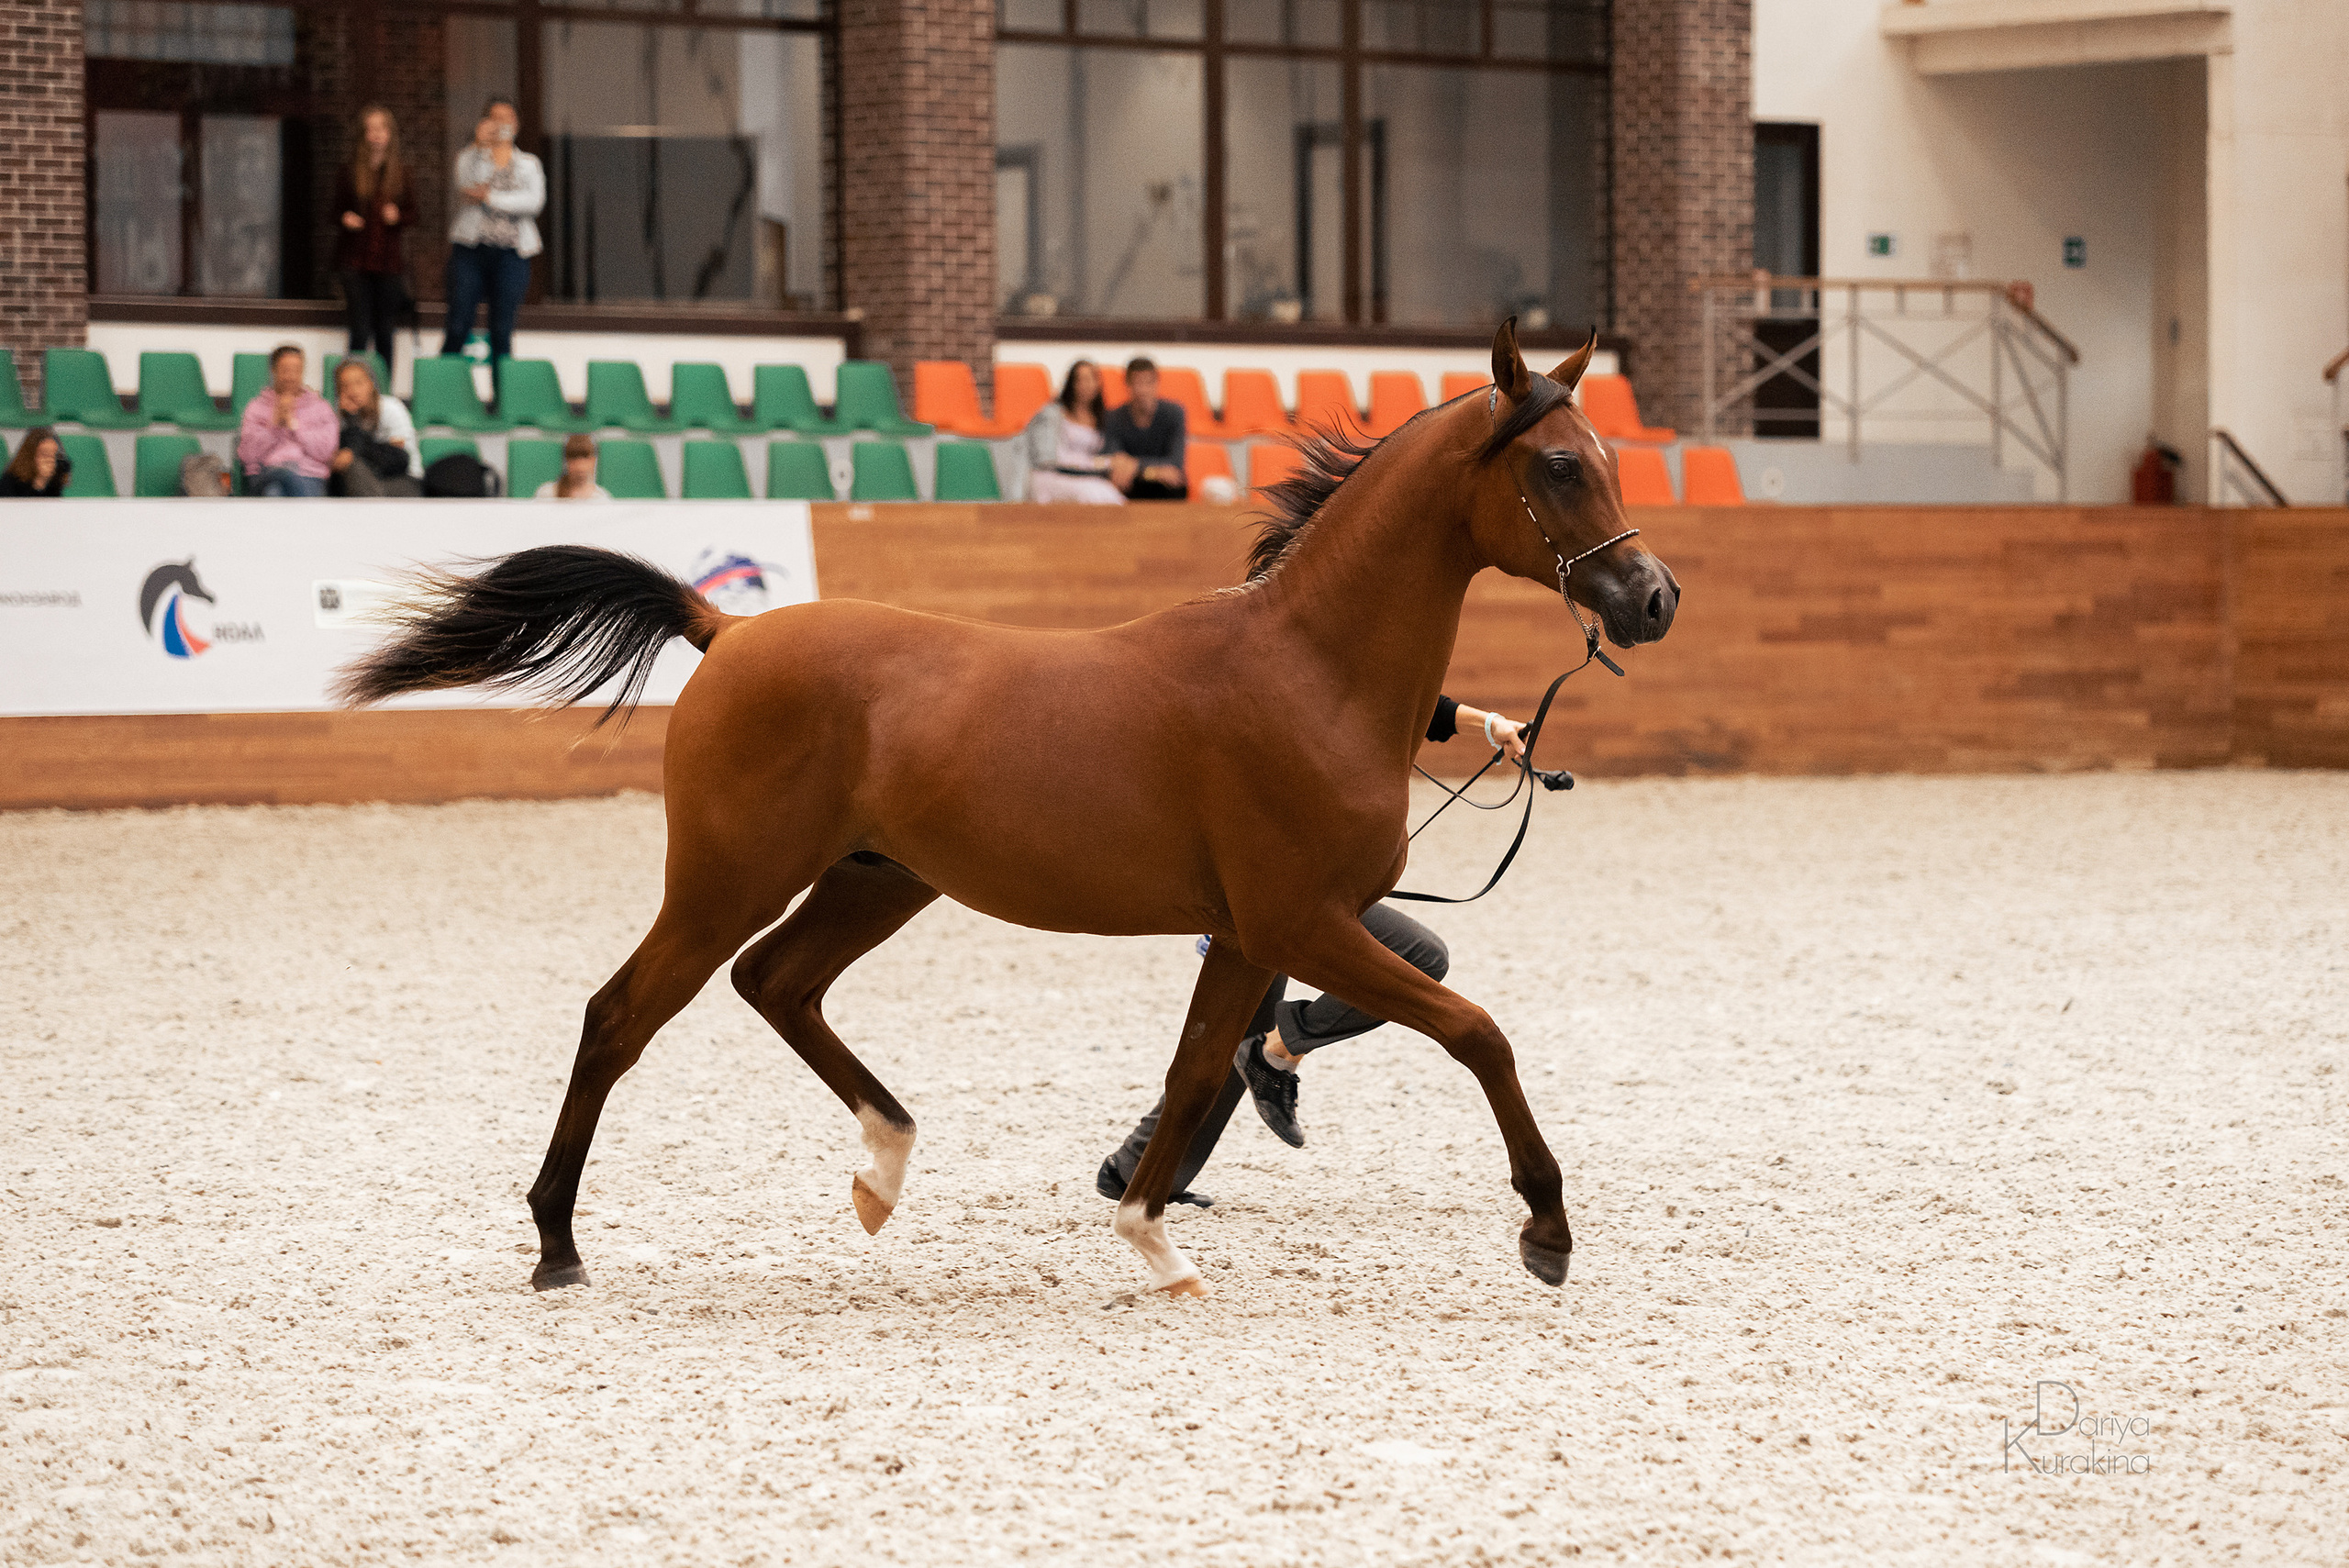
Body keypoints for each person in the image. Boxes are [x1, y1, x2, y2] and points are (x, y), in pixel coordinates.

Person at [1097, 696, 1531, 1207]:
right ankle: (1272, 1055)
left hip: (1289, 889)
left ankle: (1139, 1170)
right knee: (1419, 955)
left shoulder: (1335, 687)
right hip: (1273, 895)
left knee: (1237, 1026)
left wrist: (1490, 724)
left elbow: (1418, 704)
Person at [441, 96, 544, 369]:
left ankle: (503, 403)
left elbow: (533, 202)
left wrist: (490, 198)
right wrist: (478, 147)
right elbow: (464, 185)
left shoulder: (529, 163)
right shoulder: (469, 155)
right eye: (494, 118)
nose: (500, 124)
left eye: (507, 118)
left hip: (512, 253)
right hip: (471, 251)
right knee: (459, 323)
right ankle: (442, 392)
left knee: (502, 331)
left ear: (517, 124)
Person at [336, 105, 411, 382]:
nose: (376, 135)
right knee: (360, 328)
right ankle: (351, 388)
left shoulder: (401, 173)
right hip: (356, 261)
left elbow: (414, 214)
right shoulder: (350, 172)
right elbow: (334, 211)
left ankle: (384, 391)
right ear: (363, 135)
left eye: (381, 129)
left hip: (388, 263)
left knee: (385, 330)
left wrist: (398, 216)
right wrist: (345, 217)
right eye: (370, 129)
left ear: (390, 134)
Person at [236, 344, 339, 497]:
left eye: (296, 371)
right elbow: (248, 455)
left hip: (308, 475)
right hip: (266, 474)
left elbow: (327, 452)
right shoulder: (256, 407)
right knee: (275, 488)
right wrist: (274, 425)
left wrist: (295, 426)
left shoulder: (320, 407)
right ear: (273, 370)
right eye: (285, 370)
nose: (290, 377)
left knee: (281, 493)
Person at [1019, 360, 1129, 504]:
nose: (1087, 385)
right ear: (1071, 384)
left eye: (1092, 379)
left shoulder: (1103, 418)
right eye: (1081, 380)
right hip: (1052, 476)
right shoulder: (1052, 414)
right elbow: (1051, 459)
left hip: (1087, 478)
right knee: (1092, 494)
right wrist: (1105, 463)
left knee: (1112, 496)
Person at [328, 359, 423, 497]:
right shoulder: (339, 418)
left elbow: (398, 459)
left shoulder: (391, 408)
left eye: (359, 383)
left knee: (356, 469)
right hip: (363, 479)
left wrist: (355, 451)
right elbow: (340, 461)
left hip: (404, 478)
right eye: (345, 386)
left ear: (371, 384)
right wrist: (351, 419)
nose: (353, 391)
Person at [1102, 356, 1188, 501]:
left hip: (1162, 486)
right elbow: (1114, 459)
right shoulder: (1114, 417)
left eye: (1148, 383)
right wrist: (1152, 471)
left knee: (1175, 484)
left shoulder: (1174, 414)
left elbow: (1175, 462)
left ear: (1156, 383)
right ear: (1127, 384)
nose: (1142, 390)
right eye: (1137, 383)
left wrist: (1136, 465)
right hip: (1130, 484)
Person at [534, 434, 609, 499]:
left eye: (585, 458)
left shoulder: (600, 497)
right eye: (574, 459)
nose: (580, 466)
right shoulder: (547, 494)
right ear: (566, 461)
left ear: (593, 461)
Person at [1, 428, 70, 497]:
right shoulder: (11, 481)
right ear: (30, 456)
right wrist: (39, 481)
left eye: (55, 456)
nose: (50, 460)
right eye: (45, 455)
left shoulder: (56, 481)